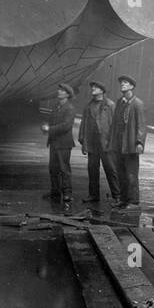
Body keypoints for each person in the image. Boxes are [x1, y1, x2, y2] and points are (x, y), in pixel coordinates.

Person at [77, 81, 120, 205]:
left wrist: (113, 143)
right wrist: (83, 142)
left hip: (106, 144)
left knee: (111, 170)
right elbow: (83, 125)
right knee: (92, 169)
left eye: (96, 87)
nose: (93, 89)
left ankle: (117, 196)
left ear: (102, 90)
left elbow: (115, 126)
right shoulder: (88, 106)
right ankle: (93, 195)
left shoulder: (110, 105)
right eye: (92, 87)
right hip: (92, 144)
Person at [107, 75, 147, 208]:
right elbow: (114, 124)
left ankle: (134, 201)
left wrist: (139, 142)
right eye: (121, 83)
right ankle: (123, 199)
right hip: (119, 145)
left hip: (130, 145)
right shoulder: (119, 102)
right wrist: (111, 142)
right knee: (121, 173)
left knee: (131, 175)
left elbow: (141, 125)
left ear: (132, 86)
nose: (122, 85)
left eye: (125, 83)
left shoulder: (137, 103)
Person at [43, 83, 77, 211]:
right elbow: (52, 121)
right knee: (53, 168)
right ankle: (55, 192)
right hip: (55, 142)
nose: (59, 92)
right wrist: (46, 126)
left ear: (67, 94)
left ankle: (67, 194)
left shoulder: (70, 108)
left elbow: (66, 126)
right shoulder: (57, 106)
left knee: (64, 169)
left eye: (62, 90)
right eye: (59, 89)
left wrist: (49, 129)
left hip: (63, 143)